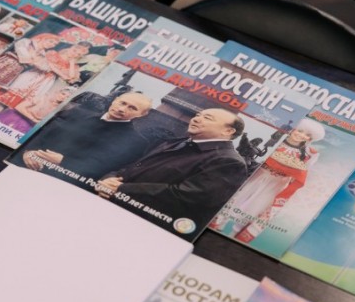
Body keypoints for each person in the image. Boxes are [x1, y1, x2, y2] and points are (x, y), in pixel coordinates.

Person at [96, 107, 249, 228]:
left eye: (207, 118)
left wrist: (121, 190)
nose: (196, 119)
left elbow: (188, 196)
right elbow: (134, 166)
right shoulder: (175, 142)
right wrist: (108, 179)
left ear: (228, 131)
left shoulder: (229, 162)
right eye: (198, 115)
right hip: (110, 207)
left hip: (146, 226)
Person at [210, 118, 325, 242]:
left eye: (307, 135)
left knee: (256, 208)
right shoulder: (276, 140)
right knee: (236, 198)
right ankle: (219, 224)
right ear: (293, 129)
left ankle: (235, 234)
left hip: (277, 183)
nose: (301, 135)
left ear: (310, 139)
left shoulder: (310, 153)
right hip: (257, 174)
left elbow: (303, 171)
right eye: (300, 131)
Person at [14, 91, 159, 181]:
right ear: (115, 100)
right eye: (123, 103)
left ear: (142, 114)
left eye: (132, 108)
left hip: (61, 183)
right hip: (23, 166)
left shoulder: (136, 142)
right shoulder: (77, 113)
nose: (122, 109)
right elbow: (43, 133)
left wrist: (63, 161)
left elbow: (103, 168)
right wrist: (27, 151)